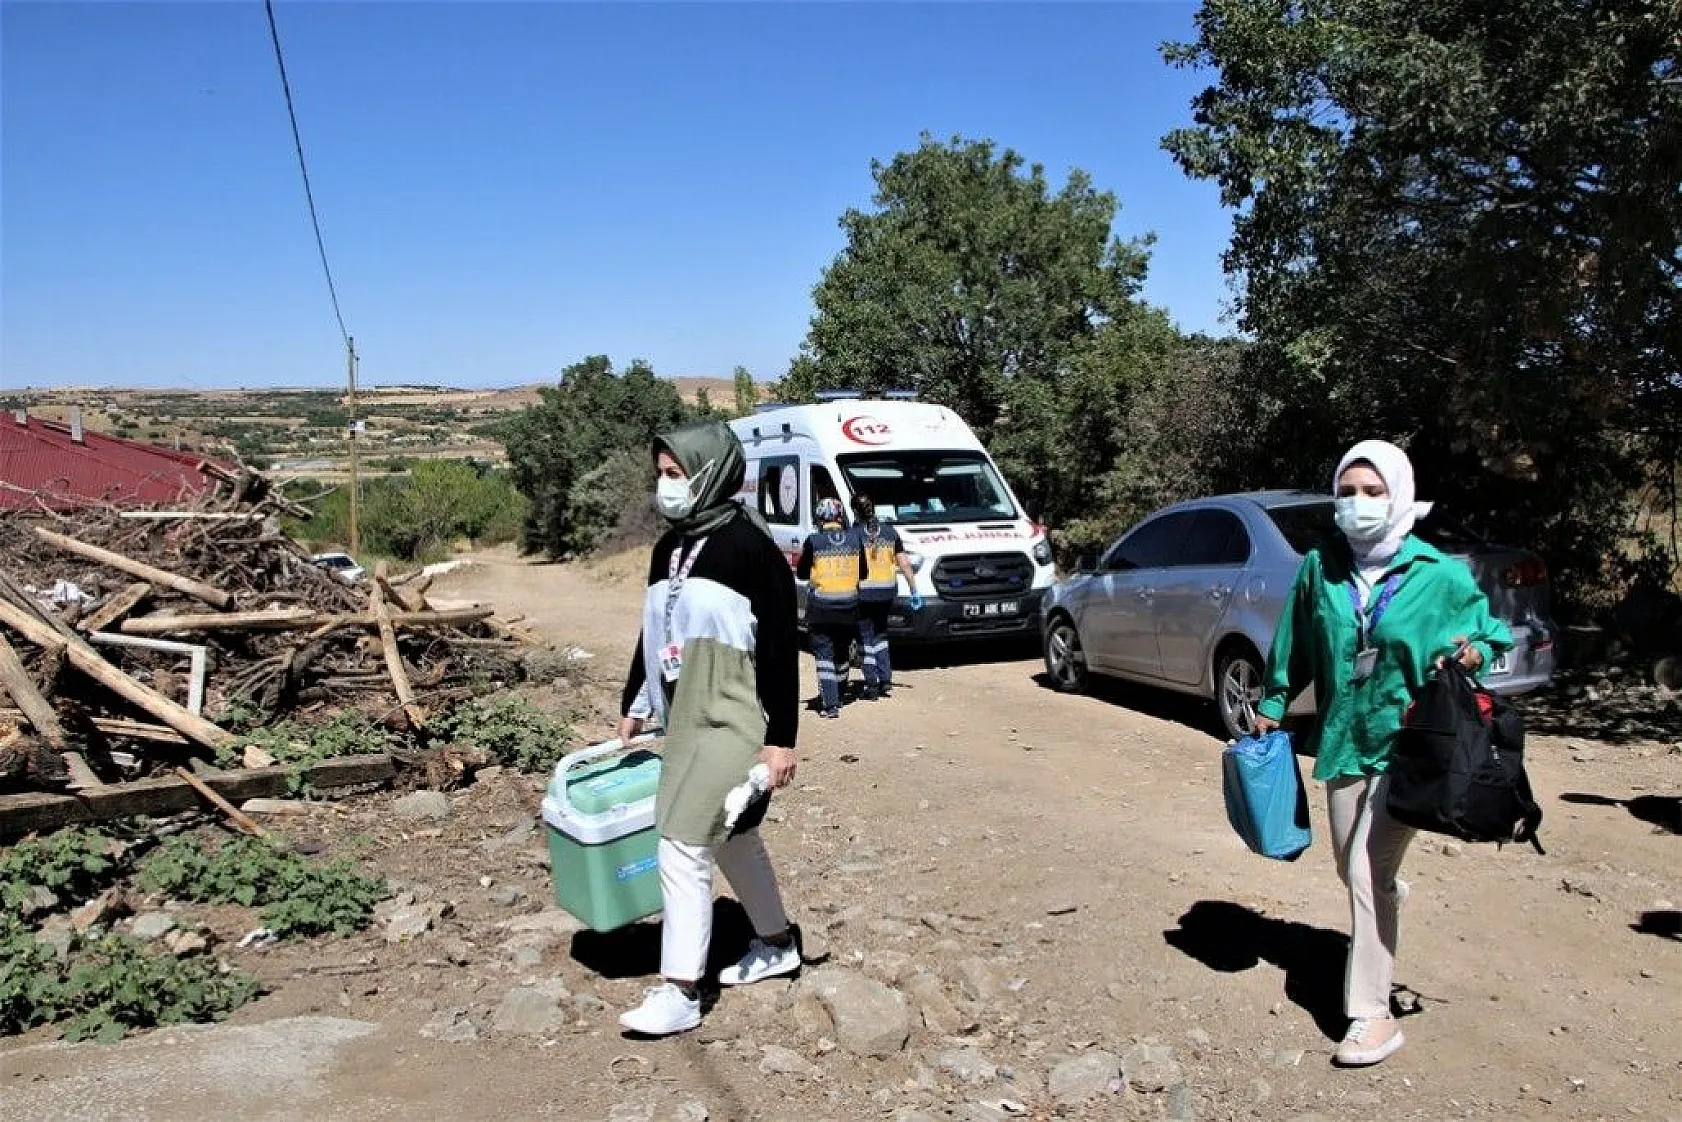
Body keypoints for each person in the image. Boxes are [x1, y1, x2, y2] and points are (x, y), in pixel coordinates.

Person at [1254, 439, 1511, 1068]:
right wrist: (1273, 702)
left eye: (1373, 492)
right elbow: (1295, 642)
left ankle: (1372, 1016)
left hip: (1412, 747)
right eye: (1347, 492)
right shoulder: (1321, 568)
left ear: (1398, 496)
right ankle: (1388, 897)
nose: (1358, 503)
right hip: (1345, 741)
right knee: (1351, 869)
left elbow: (1494, 634)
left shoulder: (1438, 574)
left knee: (1366, 871)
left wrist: (1474, 653)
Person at [616, 420, 802, 1038]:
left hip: (733, 718)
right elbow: (653, 629)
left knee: (682, 840)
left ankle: (680, 991)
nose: (665, 485)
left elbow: (780, 649)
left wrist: (781, 741)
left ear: (709, 473)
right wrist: (635, 699)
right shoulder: (668, 549)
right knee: (731, 836)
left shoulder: (751, 550)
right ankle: (776, 944)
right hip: (685, 719)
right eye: (661, 474)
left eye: (676, 474)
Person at [798, 497, 866, 718]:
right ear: (840, 517)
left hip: (821, 608)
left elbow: (801, 573)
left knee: (824, 655)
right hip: (850, 606)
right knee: (842, 652)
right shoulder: (855, 539)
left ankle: (830, 704)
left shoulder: (814, 541)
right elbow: (863, 573)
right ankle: (840, 694)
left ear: (820, 518)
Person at [849, 491, 919, 699]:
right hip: (887, 593)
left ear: (855, 511)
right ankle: (886, 679)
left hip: (863, 594)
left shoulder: (852, 534)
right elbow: (904, 563)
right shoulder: (890, 533)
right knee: (880, 635)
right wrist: (914, 590)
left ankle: (872, 684)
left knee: (865, 639)